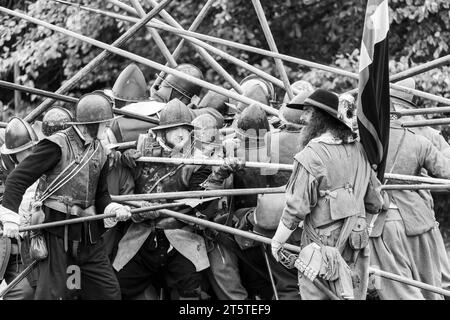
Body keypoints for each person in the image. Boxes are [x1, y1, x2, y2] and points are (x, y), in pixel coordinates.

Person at [0, 92, 131, 300]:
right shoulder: (55, 145)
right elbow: (18, 178)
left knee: (109, 293)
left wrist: (113, 209)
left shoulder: (100, 151)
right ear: (91, 123)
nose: (107, 129)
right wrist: (9, 217)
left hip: (88, 235)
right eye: (104, 124)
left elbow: (102, 196)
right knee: (52, 296)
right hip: (56, 233)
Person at [271, 89, 386, 300]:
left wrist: (277, 242)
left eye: (307, 112)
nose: (302, 119)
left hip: (321, 247)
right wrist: (363, 225)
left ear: (320, 117)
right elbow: (375, 201)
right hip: (356, 240)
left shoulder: (310, 156)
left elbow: (296, 208)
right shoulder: (361, 150)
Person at [113, 98, 211, 300]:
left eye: (185, 128)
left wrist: (161, 210)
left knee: (191, 288)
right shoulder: (141, 146)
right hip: (141, 232)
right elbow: (120, 178)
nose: (181, 133)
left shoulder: (199, 160)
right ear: (161, 132)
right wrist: (124, 157)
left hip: (180, 234)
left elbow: (194, 203)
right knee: (119, 283)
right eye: (175, 129)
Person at [368, 96, 450, 300]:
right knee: (430, 287)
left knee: (399, 290)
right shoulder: (419, 140)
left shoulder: (363, 142)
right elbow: (447, 171)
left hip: (383, 224)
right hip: (420, 221)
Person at [0, 117, 38, 300]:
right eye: (25, 150)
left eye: (32, 149)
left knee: (25, 292)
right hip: (5, 237)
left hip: (20, 244)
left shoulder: (38, 166)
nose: (31, 154)